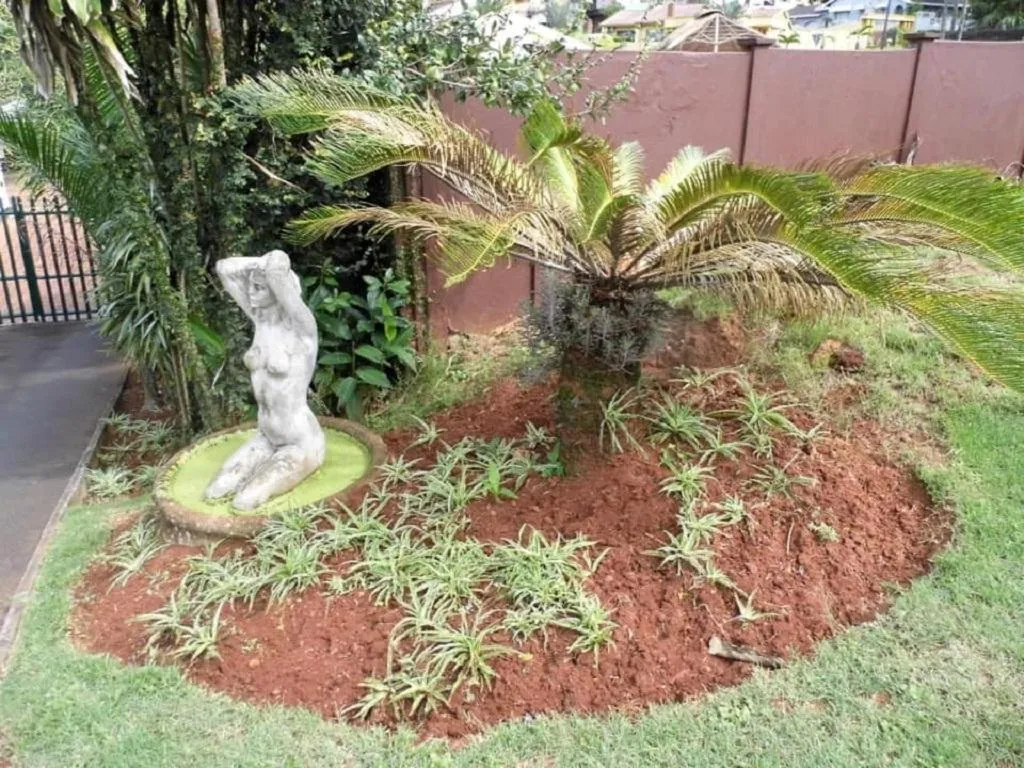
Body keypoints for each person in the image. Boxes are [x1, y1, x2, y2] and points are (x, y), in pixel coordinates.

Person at [204, 250, 325, 510]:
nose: (251, 292)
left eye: (259, 288)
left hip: (299, 441)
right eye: (250, 287)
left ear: (277, 291)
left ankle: (304, 460)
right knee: (216, 490)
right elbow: (224, 267)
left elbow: (277, 267)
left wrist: (270, 266)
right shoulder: (261, 323)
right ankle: (262, 458)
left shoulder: (303, 331)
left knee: (245, 501)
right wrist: (257, 266)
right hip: (266, 437)